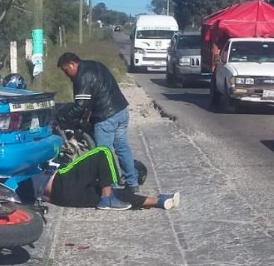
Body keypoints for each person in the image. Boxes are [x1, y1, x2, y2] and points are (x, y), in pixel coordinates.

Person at [56, 51, 140, 192]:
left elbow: (80, 105)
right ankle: (132, 182)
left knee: (103, 153)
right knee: (122, 147)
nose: (66, 74)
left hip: (106, 116)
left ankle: (110, 187)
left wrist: (62, 119)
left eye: (66, 70)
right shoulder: (96, 65)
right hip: (121, 111)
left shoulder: (81, 76)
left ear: (72, 64)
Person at [36, 146, 179, 211]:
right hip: (57, 182)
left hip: (60, 198)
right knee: (102, 151)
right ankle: (108, 195)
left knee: (111, 193)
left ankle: (158, 201)